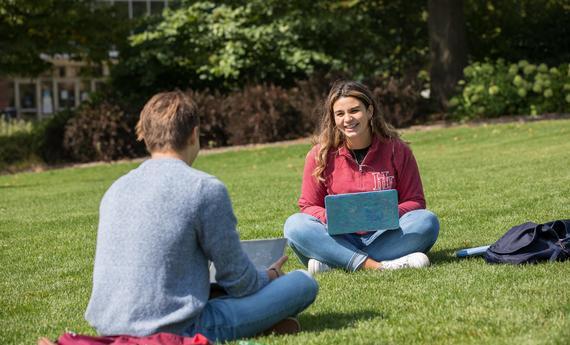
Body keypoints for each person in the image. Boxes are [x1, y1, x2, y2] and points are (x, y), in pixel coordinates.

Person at [83, 91, 318, 342]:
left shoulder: (116, 189)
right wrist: (269, 275)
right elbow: (240, 282)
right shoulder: (203, 188)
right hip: (175, 329)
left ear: (145, 135)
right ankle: (262, 322)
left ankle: (264, 323)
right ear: (194, 134)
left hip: (110, 327)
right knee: (303, 283)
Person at [284, 80, 439, 274]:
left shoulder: (397, 150)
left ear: (370, 111)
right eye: (340, 114)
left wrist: (385, 213)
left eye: (355, 110)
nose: (348, 119)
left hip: (386, 234)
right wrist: (337, 217)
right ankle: (378, 266)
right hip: (339, 236)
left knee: (426, 221)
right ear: (333, 118)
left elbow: (415, 201)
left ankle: (335, 260)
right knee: (295, 226)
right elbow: (307, 206)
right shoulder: (319, 155)